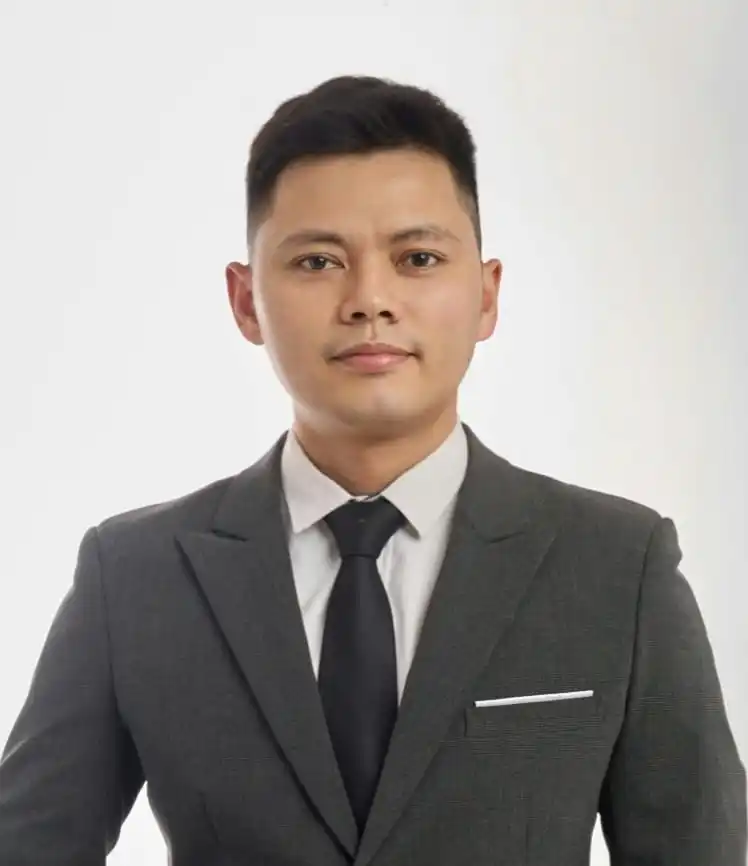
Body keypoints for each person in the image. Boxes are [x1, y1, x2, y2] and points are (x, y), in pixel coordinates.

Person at [0, 74, 744, 866]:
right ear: (246, 301)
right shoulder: (136, 575)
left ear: (486, 295)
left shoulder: (617, 566)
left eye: (417, 257)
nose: (370, 300)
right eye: (318, 261)